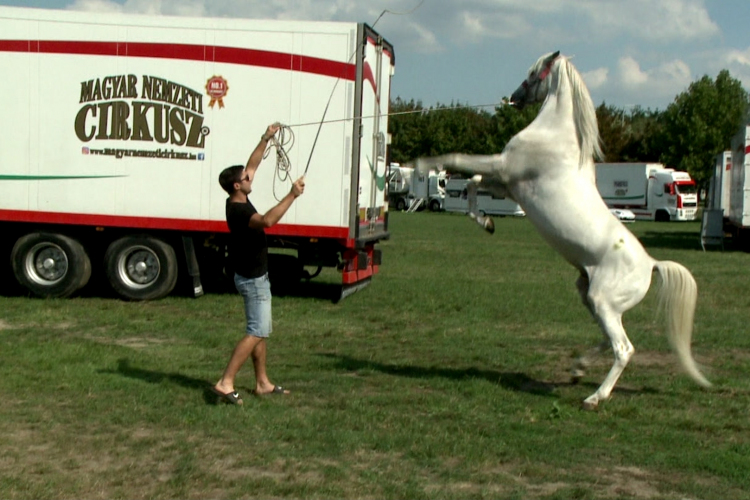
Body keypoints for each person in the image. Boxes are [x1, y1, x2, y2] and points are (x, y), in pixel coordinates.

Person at [213, 123, 305, 405]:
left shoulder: (240, 194)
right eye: (246, 177)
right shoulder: (239, 210)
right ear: (237, 185)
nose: (250, 175)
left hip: (253, 276)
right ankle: (225, 381)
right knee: (257, 331)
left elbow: (253, 163)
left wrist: (266, 138)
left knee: (260, 331)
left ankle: (262, 383)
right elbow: (267, 221)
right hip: (253, 280)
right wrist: (292, 194)